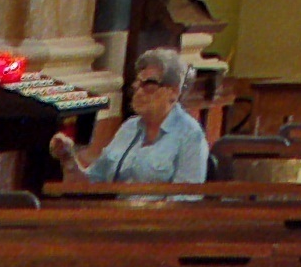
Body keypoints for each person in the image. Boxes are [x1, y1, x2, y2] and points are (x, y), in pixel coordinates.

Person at [54, 47, 209, 188]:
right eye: (137, 84)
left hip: (155, 217)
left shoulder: (190, 135)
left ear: (174, 92)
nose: (139, 92)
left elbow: (186, 201)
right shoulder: (129, 128)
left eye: (149, 85)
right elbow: (92, 183)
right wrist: (68, 159)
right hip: (113, 215)